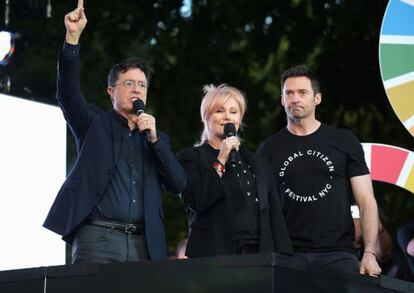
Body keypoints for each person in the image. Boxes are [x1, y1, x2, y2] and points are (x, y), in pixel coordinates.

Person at [43, 0, 186, 263]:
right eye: (129, 83)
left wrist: (155, 141)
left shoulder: (156, 138)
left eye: (142, 85)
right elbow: (68, 93)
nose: (136, 90)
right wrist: (72, 38)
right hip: (97, 238)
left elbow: (178, 183)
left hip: (144, 244)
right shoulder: (94, 122)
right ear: (111, 91)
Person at [258, 65, 381, 276]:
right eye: (289, 93)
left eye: (302, 92)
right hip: (287, 255)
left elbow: (366, 200)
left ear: (317, 98)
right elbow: (261, 209)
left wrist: (369, 252)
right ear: (282, 100)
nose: (295, 98)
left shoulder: (344, 141)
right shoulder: (268, 150)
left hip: (338, 254)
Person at [177, 84, 293, 257]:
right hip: (214, 256)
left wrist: (284, 255)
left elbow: (273, 213)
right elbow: (196, 201)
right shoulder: (190, 158)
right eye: (219, 111)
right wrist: (221, 158)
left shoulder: (257, 162)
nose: (227, 117)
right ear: (206, 116)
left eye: (233, 111)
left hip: (258, 256)